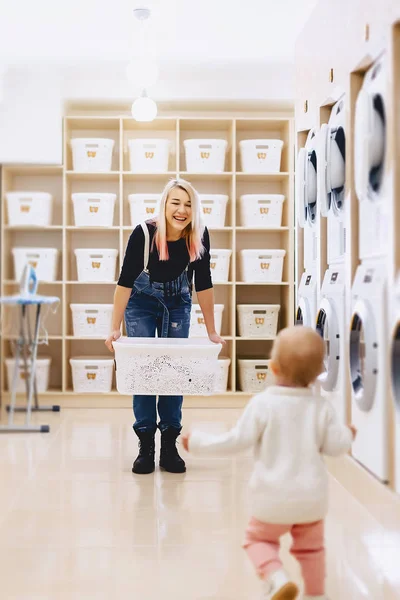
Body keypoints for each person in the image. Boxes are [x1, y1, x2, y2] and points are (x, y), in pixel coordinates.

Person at [182, 326, 357, 600]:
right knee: (311, 550)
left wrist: (199, 442)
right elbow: (336, 447)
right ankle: (316, 593)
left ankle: (276, 577)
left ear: (273, 368)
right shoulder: (321, 407)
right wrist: (348, 434)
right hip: (311, 501)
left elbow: (236, 441)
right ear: (317, 375)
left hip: (271, 499)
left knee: (257, 540)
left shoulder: (262, 404)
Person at [105, 178, 224, 476]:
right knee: (145, 369)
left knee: (173, 369)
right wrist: (114, 327)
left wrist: (211, 331)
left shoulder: (198, 234)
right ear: (164, 205)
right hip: (140, 301)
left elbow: (204, 284)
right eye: (176, 203)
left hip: (178, 301)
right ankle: (146, 445)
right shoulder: (144, 234)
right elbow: (124, 283)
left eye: (188, 204)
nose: (182, 210)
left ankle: (169, 444)